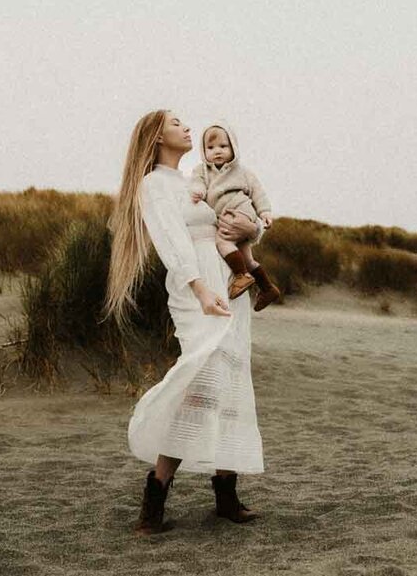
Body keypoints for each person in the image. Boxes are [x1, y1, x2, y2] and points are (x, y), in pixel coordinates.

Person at [105, 109, 266, 536]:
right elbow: (171, 241)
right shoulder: (155, 184)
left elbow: (236, 224)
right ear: (157, 136)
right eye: (177, 123)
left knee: (232, 384)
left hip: (228, 286)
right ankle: (155, 496)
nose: (187, 128)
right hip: (197, 289)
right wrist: (198, 288)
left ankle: (226, 493)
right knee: (199, 383)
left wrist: (253, 230)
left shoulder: (198, 180)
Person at [188, 120, 282, 312]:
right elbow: (196, 183)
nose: (218, 151)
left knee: (222, 242)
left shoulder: (243, 172)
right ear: (203, 150)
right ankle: (267, 288)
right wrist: (197, 191)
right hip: (229, 217)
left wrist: (264, 212)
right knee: (247, 258)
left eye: (224, 146)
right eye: (211, 147)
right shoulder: (201, 171)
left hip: (240, 210)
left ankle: (241, 275)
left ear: (234, 147)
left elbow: (258, 192)